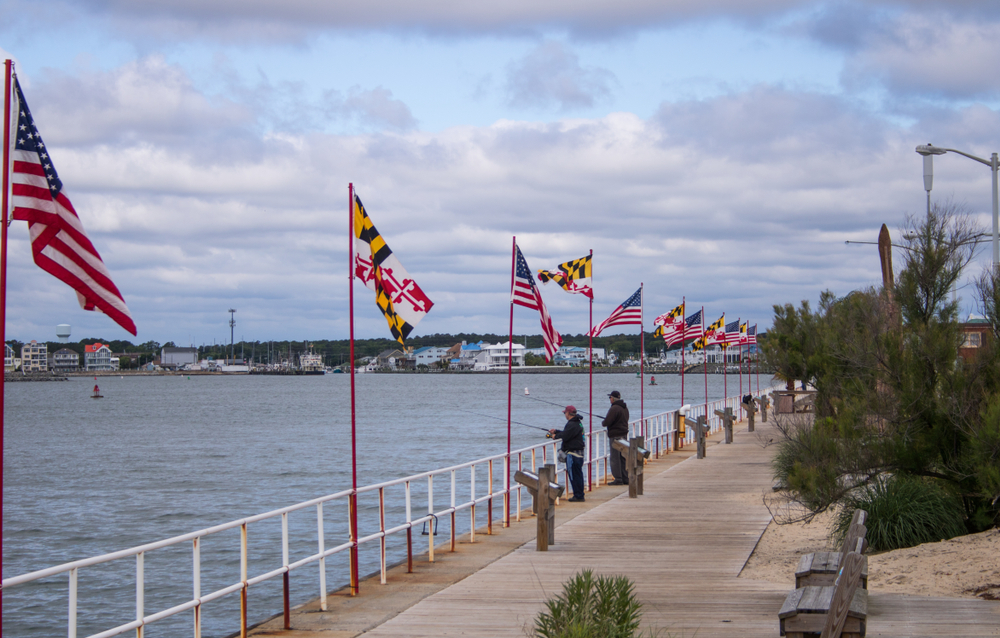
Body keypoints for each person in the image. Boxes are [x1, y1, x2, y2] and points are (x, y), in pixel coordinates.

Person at [548, 405, 586, 502]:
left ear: (568, 413)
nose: (565, 414)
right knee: (578, 475)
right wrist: (556, 431)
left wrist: (555, 436)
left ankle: (578, 495)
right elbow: (568, 433)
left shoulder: (572, 424)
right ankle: (580, 494)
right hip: (579, 454)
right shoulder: (577, 423)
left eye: (565, 413)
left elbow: (566, 435)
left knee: (574, 475)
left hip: (573, 455)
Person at [602, 390, 630, 485]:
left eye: (610, 397)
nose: (609, 399)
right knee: (623, 457)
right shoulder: (624, 408)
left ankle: (618, 479)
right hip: (624, 434)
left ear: (613, 398)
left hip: (615, 436)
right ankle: (625, 477)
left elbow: (606, 422)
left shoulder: (614, 408)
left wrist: (604, 422)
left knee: (615, 458)